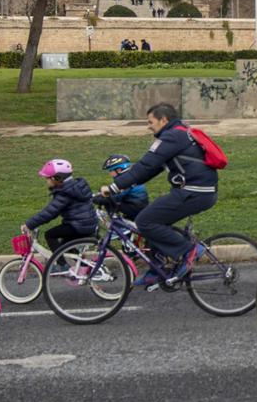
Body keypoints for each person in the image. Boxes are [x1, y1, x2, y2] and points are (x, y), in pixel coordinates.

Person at [103, 102, 219, 290]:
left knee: (145, 221)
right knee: (152, 218)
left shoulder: (171, 137)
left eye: (151, 121)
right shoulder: (179, 133)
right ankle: (156, 270)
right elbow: (152, 169)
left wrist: (114, 186)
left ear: (163, 120)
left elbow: (145, 166)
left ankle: (189, 251)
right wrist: (126, 185)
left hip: (194, 192)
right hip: (197, 191)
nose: (149, 126)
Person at [22, 158, 98, 256]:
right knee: (64, 246)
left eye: (48, 178)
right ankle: (83, 267)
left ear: (56, 178)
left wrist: (29, 224)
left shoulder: (65, 193)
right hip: (86, 223)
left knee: (50, 235)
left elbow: (50, 212)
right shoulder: (73, 187)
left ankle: (61, 265)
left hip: (79, 226)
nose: (47, 182)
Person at [98, 154, 151, 221]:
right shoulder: (130, 176)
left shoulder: (124, 180)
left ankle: (117, 224)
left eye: (111, 171)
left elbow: (117, 196)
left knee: (111, 202)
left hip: (135, 209)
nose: (110, 173)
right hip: (140, 206)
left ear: (119, 170)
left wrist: (102, 199)